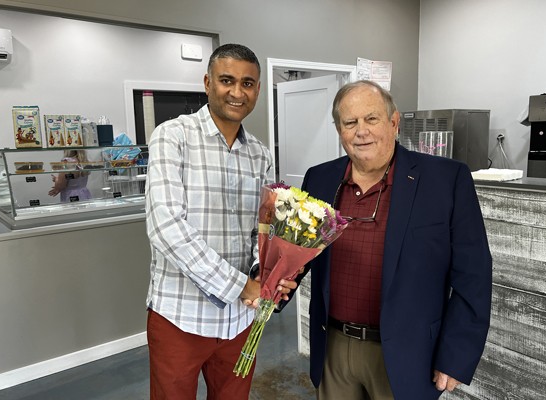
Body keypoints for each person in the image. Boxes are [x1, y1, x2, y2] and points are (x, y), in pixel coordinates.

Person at [279, 80, 492, 399]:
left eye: (371, 119)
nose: (361, 131)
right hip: (334, 347)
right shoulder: (320, 179)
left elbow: (473, 275)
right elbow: (292, 254)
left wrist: (456, 354)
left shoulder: (445, 180)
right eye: (350, 122)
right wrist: (268, 282)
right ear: (340, 131)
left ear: (394, 122)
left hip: (409, 354)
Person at [144, 43, 298, 400]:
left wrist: (267, 275)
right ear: (207, 82)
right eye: (227, 80)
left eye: (248, 83)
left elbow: (264, 229)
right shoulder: (173, 136)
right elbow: (166, 228)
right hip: (180, 317)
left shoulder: (260, 154)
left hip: (241, 321)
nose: (237, 91)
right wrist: (243, 287)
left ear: (257, 89)